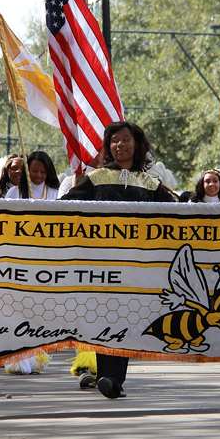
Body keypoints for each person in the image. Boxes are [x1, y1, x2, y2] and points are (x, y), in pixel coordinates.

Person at [62, 121, 176, 399]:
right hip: (103, 265)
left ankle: (113, 378)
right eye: (114, 140)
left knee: (127, 319)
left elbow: (176, 217)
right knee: (108, 316)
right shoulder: (96, 178)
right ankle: (110, 378)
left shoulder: (151, 183)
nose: (120, 144)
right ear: (108, 146)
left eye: (126, 139)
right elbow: (63, 207)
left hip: (139, 268)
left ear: (137, 145)